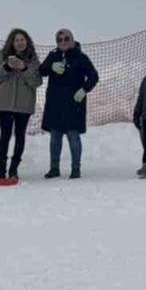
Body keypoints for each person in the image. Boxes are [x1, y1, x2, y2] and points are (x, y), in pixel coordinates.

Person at [39, 29, 99, 179]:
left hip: (74, 104)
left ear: (72, 40)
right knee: (55, 137)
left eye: (66, 38)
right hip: (55, 104)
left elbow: (93, 76)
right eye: (59, 39)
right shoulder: (53, 56)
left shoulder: (81, 57)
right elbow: (41, 70)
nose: (63, 42)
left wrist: (84, 90)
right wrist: (51, 66)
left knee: (73, 136)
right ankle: (54, 168)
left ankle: (76, 168)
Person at [0, 28, 42, 179]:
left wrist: (23, 68)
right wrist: (6, 67)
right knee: (4, 136)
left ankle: (14, 169)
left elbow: (37, 81)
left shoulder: (32, 59)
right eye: (16, 40)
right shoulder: (3, 56)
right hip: (5, 104)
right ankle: (1, 169)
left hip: (24, 105)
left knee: (20, 136)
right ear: (12, 42)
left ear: (27, 42)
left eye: (22, 40)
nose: (19, 43)